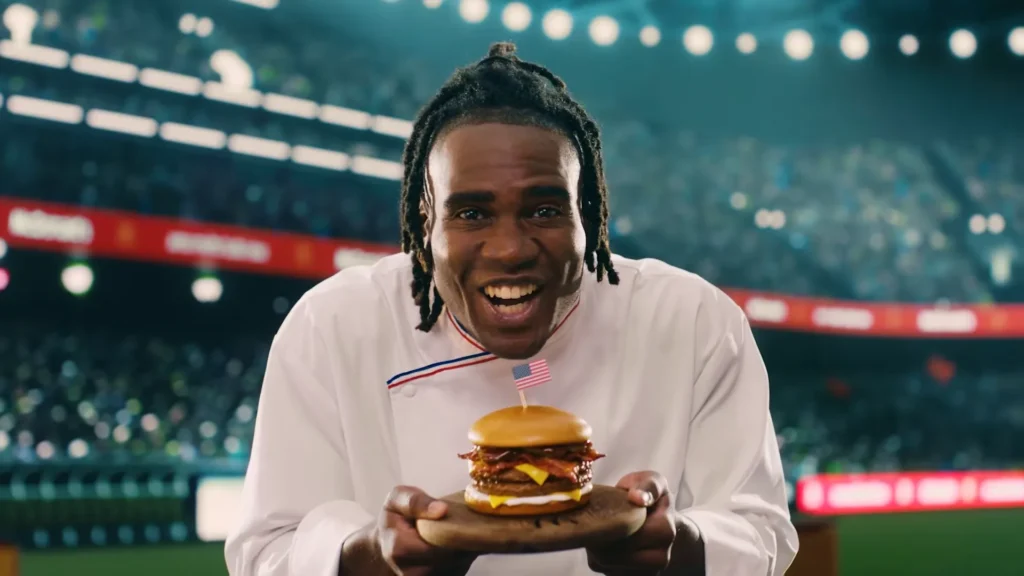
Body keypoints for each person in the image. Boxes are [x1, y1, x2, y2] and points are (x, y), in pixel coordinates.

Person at [225, 42, 798, 576]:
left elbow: (761, 531)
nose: (510, 250)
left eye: (545, 210)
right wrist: (371, 556)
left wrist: (681, 544)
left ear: (590, 214)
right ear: (425, 223)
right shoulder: (333, 325)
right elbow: (267, 550)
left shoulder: (693, 320)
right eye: (470, 214)